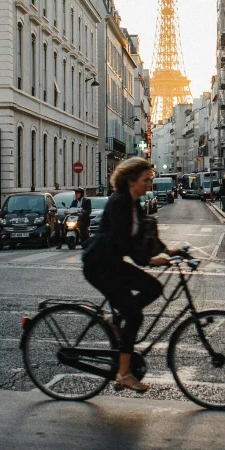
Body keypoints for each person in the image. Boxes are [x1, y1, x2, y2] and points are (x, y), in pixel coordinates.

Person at [82, 157, 182, 392]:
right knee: (135, 315)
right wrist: (149, 260)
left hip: (113, 263)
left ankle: (119, 320)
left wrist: (169, 251)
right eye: (146, 180)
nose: (150, 184)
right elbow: (125, 242)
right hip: (99, 266)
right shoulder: (119, 203)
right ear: (131, 181)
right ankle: (124, 373)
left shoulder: (135, 202)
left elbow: (147, 235)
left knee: (154, 288)